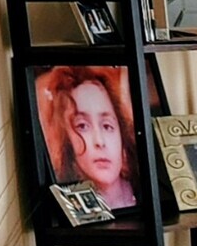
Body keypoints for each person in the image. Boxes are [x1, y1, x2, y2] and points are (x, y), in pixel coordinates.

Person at [35, 65, 140, 213]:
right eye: (83, 126)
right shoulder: (68, 203)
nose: (99, 142)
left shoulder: (145, 195)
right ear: (67, 139)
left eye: (107, 126)